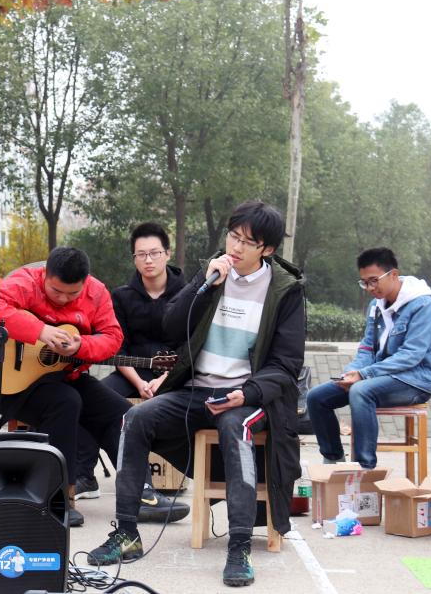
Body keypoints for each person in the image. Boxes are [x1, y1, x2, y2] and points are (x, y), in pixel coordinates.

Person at [88, 201, 305, 589]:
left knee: (236, 429)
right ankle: (127, 533)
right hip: (196, 389)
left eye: (247, 242)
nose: (235, 247)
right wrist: (201, 285)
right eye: (233, 236)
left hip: (247, 396)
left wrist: (247, 392)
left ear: (268, 249)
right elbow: (172, 326)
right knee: (135, 418)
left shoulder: (284, 291)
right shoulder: (213, 274)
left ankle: (239, 546)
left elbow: (286, 365)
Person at [0, 246, 130, 527]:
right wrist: (39, 331)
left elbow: (113, 337)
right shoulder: (26, 282)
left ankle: (138, 492)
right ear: (45, 275)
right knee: (66, 402)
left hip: (66, 375)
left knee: (122, 412)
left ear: (85, 283)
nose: (64, 299)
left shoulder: (96, 292)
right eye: (56, 291)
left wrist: (81, 345)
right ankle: (59, 497)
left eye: (73, 294)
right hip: (16, 384)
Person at [74, 223, 190, 525]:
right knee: (89, 398)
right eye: (141, 254)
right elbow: (117, 345)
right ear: (134, 258)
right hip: (131, 371)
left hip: (177, 373)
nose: (148, 260)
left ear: (167, 254)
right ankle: (84, 475)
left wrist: (164, 380)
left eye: (154, 253)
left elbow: (191, 344)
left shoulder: (188, 294)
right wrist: (139, 382)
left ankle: (146, 489)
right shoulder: (122, 296)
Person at [306, 248, 431, 470]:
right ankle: (334, 462)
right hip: (383, 375)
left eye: (374, 281)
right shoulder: (376, 306)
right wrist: (351, 372)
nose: (370, 288)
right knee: (316, 397)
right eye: (364, 283)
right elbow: (367, 349)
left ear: (393, 274)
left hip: (418, 379)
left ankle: (364, 468)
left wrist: (364, 375)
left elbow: (411, 355)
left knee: (361, 391)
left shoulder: (423, 306)